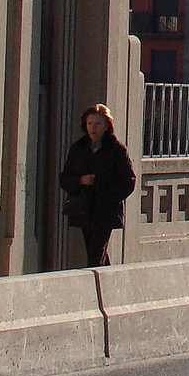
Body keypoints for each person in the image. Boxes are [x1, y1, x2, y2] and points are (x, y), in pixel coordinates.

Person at [59, 103, 136, 267]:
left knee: (96, 252)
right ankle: (110, 282)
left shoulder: (117, 150)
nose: (93, 128)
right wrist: (81, 181)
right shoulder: (78, 149)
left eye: (97, 124)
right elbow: (65, 178)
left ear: (107, 126)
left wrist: (107, 196)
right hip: (85, 209)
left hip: (105, 211)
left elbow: (129, 181)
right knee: (94, 251)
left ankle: (94, 286)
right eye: (90, 124)